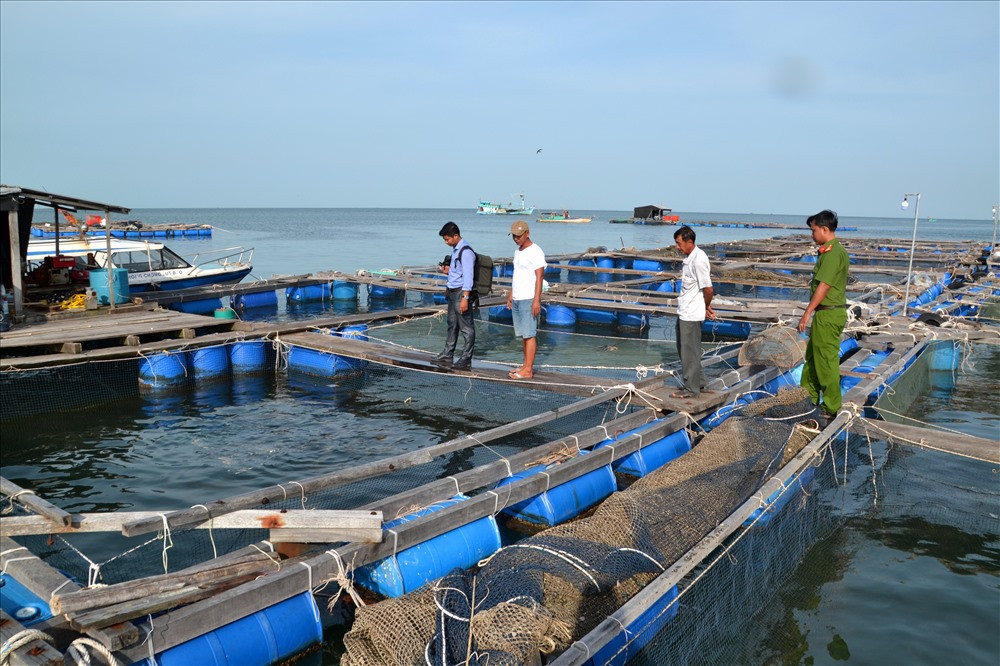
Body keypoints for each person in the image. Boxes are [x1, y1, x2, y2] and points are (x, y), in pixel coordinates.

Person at [797, 209, 850, 424]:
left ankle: (831, 406)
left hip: (828, 314)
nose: (812, 234)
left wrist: (807, 312)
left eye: (814, 230)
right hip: (825, 314)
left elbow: (824, 286)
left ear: (825, 229)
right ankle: (807, 398)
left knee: (826, 361)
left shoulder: (833, 253)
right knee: (812, 359)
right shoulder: (829, 251)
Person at [671, 226, 716, 398]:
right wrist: (705, 305)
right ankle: (700, 381)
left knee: (689, 350)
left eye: (679, 243)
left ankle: (691, 388)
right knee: (684, 348)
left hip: (691, 314)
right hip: (685, 310)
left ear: (690, 242)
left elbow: (709, 289)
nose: (677, 247)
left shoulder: (698, 259)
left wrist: (705, 307)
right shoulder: (690, 258)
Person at [433, 221, 476, 371]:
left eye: (447, 239)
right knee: (452, 324)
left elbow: (468, 277)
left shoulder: (466, 252)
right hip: (452, 291)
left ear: (456, 236)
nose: (446, 242)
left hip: (460, 293)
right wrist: (448, 271)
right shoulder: (456, 250)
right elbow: (458, 272)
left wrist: (465, 297)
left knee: (466, 327)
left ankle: (466, 358)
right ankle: (447, 354)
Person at [506, 220, 546, 379]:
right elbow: (518, 274)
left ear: (527, 233)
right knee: (523, 334)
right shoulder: (518, 251)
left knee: (529, 334)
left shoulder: (536, 251)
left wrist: (536, 300)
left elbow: (540, 276)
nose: (517, 239)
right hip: (517, 297)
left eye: (519, 236)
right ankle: (525, 365)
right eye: (514, 236)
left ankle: (528, 370)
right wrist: (511, 294)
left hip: (529, 297)